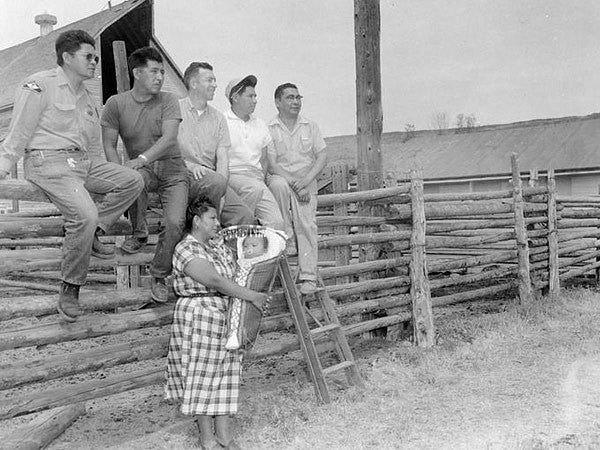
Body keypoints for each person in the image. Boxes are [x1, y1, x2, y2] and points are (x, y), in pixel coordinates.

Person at [0, 29, 144, 322]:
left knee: (133, 180)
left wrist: (105, 171)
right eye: (88, 56)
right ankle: (71, 286)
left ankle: (96, 231)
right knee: (85, 215)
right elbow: (19, 131)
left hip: (82, 164)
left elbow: (92, 146)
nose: (94, 62)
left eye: (95, 57)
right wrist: (3, 165)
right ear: (67, 57)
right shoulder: (40, 85)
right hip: (48, 163)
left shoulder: (88, 97)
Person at [164, 197, 269, 450]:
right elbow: (215, 280)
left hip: (225, 312)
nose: (217, 223)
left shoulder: (217, 247)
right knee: (202, 375)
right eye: (211, 218)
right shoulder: (185, 248)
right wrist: (253, 296)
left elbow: (236, 273)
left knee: (226, 374)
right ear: (196, 221)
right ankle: (207, 439)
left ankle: (224, 436)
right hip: (199, 314)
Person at [101, 46, 188, 303]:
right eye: (154, 71)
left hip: (172, 168)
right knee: (133, 178)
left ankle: (159, 274)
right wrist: (118, 172)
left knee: (175, 223)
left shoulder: (169, 100)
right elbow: (108, 144)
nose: (160, 77)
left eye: (162, 71)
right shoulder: (115, 104)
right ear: (137, 73)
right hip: (143, 170)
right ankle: (139, 233)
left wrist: (140, 160)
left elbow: (170, 136)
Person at [267, 83, 328, 295]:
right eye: (290, 98)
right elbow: (272, 163)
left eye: (298, 97)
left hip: (306, 183)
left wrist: (306, 181)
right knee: (277, 185)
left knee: (307, 224)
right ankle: (288, 237)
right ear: (277, 102)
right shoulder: (270, 128)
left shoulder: (310, 126)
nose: (295, 102)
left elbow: (321, 156)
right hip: (284, 181)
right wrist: (295, 184)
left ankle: (309, 277)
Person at [178, 62, 254, 227]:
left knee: (243, 215)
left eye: (215, 80)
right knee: (204, 219)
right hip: (182, 176)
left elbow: (222, 158)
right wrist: (190, 166)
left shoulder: (218, 118)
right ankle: (201, 234)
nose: (215, 84)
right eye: (210, 80)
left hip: (212, 182)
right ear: (194, 83)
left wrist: (222, 187)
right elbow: (166, 150)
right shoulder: (174, 111)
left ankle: (222, 251)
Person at [224, 75, 284, 231]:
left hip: (256, 180)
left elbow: (264, 158)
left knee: (277, 223)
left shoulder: (259, 123)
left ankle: (243, 230)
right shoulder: (222, 121)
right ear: (235, 97)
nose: (255, 100)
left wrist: (260, 180)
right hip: (232, 177)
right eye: (250, 96)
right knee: (253, 192)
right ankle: (238, 230)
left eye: (255, 96)